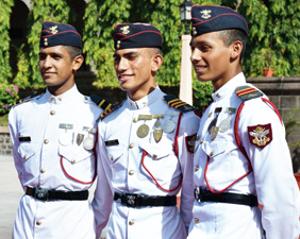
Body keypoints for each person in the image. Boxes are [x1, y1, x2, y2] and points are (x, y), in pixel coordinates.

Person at [188, 4, 300, 239]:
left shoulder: (252, 109)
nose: (194, 57)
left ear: (235, 49)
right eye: (193, 48)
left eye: (204, 48)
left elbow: (279, 196)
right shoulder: (212, 109)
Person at [92, 22, 200, 239]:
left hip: (163, 231)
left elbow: (190, 194)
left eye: (131, 57)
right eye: (117, 58)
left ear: (156, 62)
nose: (121, 66)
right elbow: (103, 196)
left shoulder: (182, 119)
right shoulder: (108, 122)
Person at [8, 21, 103, 238]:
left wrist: (88, 227)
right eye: (42, 56)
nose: (46, 64)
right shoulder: (22, 113)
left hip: (72, 224)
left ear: (77, 62)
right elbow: (22, 169)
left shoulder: (96, 115)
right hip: (26, 223)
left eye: (56, 57)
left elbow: (105, 188)